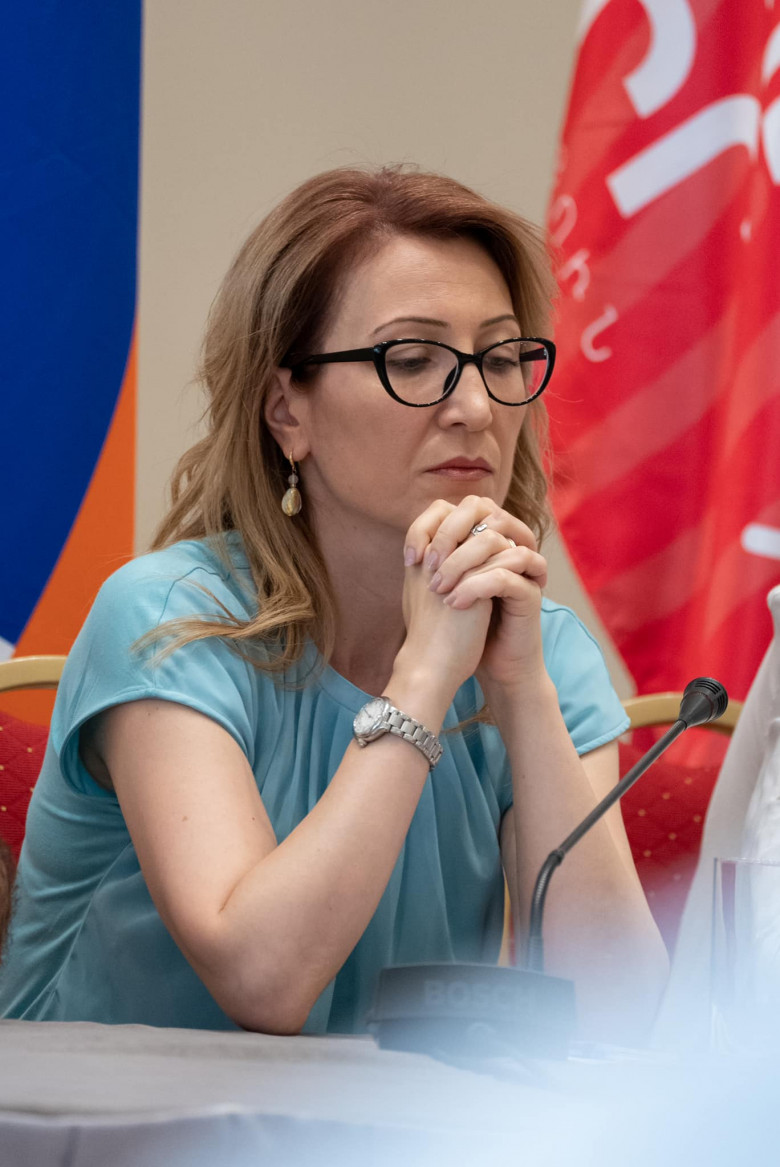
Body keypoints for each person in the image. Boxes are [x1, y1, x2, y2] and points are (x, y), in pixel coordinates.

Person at [0, 166, 667, 1039]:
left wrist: (522, 693)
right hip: (97, 1111)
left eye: (502, 358)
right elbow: (263, 979)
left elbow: (618, 1019)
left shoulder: (540, 652)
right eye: (413, 359)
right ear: (287, 411)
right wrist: (423, 676)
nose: (475, 406)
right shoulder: (166, 616)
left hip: (377, 1113)